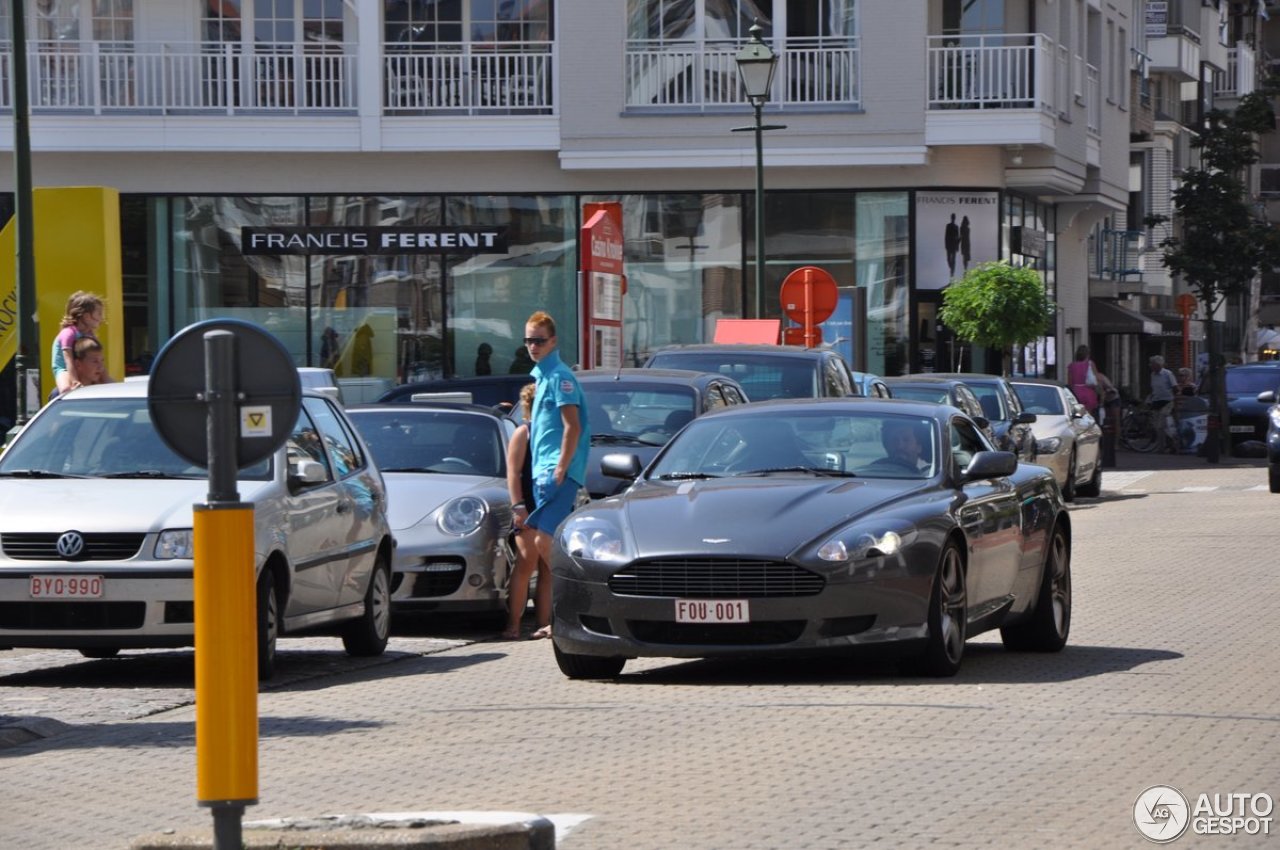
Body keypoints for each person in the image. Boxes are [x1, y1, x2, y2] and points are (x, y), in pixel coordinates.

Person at [520, 311, 590, 639]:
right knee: (543, 539)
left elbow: (571, 426)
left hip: (557, 472)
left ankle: (577, 602)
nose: (533, 346)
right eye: (528, 340)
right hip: (543, 473)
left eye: (539, 340)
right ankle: (569, 609)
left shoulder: (561, 377)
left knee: (545, 539)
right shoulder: (543, 378)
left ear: (554, 341)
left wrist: (561, 467)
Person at [501, 383, 550, 640]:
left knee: (548, 568)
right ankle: (514, 624)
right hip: (528, 505)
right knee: (525, 563)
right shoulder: (524, 432)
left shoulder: (555, 432)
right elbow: (513, 472)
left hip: (550, 506)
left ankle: (544, 624)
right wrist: (518, 506)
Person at [51, 291, 109, 395]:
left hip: (80, 367)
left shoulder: (90, 334)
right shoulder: (68, 333)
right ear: (86, 316)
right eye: (99, 314)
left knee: (108, 382)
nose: (102, 319)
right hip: (64, 368)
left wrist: (107, 379)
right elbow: (68, 360)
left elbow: (98, 357)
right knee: (66, 389)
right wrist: (74, 381)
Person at [1066, 345, 1112, 417]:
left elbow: (1069, 383)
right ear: (1087, 354)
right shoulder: (1090, 364)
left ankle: (1080, 427)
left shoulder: (1071, 366)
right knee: (1088, 417)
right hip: (1088, 392)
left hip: (1076, 393)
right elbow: (1096, 378)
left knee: (1079, 417)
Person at [1148, 355, 1178, 453]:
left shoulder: (1168, 374)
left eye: (1152, 364)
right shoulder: (1152, 374)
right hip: (1157, 402)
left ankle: (1161, 448)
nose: (1150, 366)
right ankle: (1171, 444)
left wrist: (1174, 400)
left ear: (1158, 365)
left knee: (1161, 425)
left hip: (1167, 402)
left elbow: (1175, 387)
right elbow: (1154, 388)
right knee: (1158, 427)